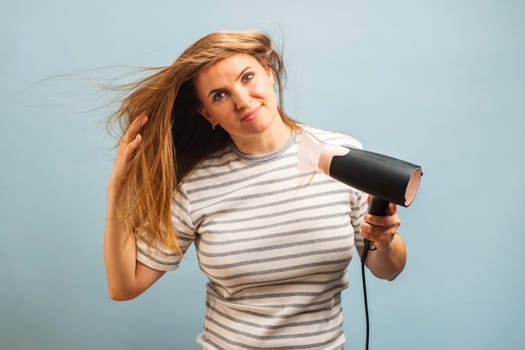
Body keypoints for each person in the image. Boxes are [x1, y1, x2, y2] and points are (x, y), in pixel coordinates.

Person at [104, 30, 407, 349]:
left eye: (247, 77)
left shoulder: (342, 156)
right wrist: (117, 193)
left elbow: (387, 269)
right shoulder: (196, 186)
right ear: (208, 114)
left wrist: (385, 241)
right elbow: (124, 286)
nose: (242, 100)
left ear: (268, 70)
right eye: (220, 95)